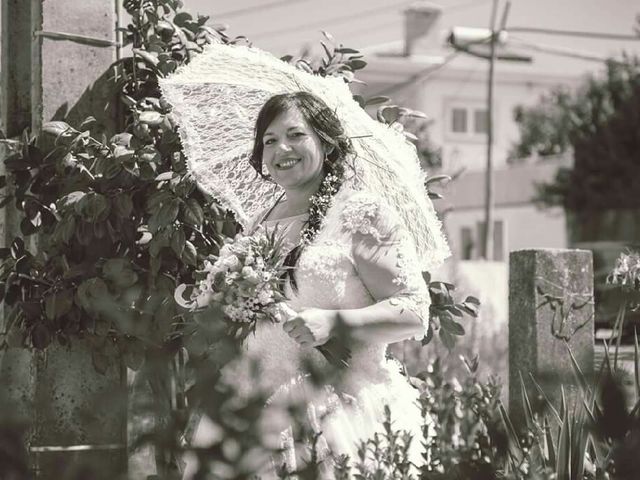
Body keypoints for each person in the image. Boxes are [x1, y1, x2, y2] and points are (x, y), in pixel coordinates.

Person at [184, 91, 435, 477]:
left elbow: (414, 312)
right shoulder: (259, 222)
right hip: (252, 406)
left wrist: (334, 323)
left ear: (325, 141)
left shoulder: (360, 213)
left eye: (295, 135)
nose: (281, 148)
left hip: (336, 410)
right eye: (268, 140)